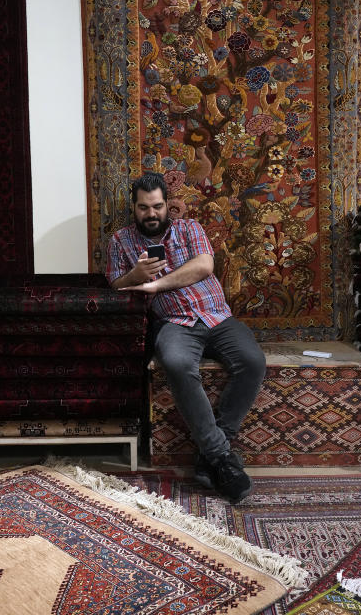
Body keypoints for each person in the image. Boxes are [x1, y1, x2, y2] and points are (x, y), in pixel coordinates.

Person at [105, 172, 265, 504]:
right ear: (133, 208)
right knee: (176, 363)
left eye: (158, 206)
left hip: (217, 316)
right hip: (174, 323)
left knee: (252, 361)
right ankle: (221, 458)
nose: (152, 214)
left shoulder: (190, 229)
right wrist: (133, 277)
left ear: (168, 204)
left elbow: (204, 266)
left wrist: (155, 285)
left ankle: (211, 453)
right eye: (144, 207)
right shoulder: (119, 241)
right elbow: (114, 286)